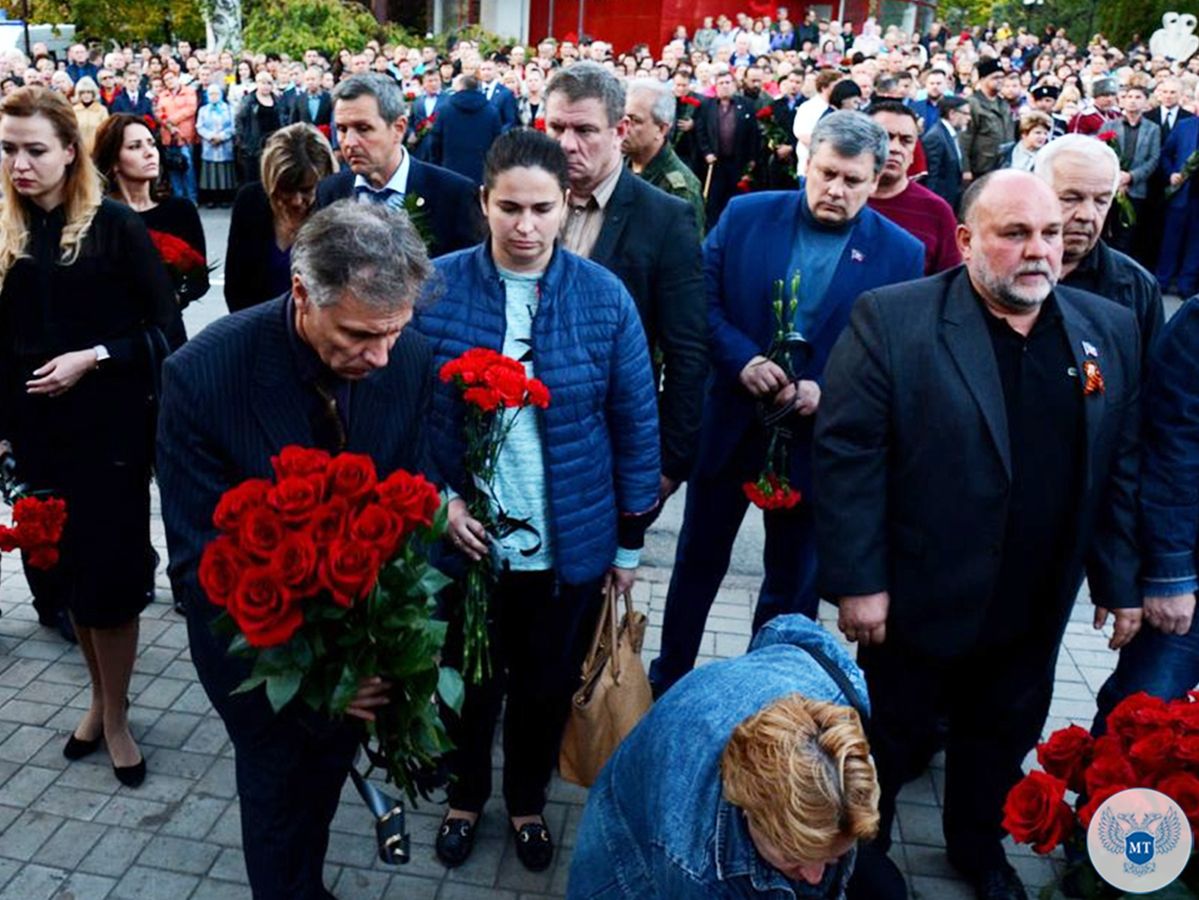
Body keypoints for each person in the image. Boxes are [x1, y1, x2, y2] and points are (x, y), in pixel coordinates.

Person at [815, 170, 1142, 900]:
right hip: (916, 596)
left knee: (999, 735)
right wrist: (858, 582)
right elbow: (847, 456)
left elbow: (1117, 463)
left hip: (1033, 599)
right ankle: (862, 850)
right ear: (964, 240)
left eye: (1050, 234)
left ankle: (976, 847)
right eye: (1014, 234)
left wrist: (1119, 581)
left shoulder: (1106, 331)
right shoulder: (892, 320)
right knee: (891, 739)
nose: (1038, 251)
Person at [158, 202, 433, 900]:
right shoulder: (204, 374)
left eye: (393, 332)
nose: (380, 356)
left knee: (322, 783)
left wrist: (385, 651)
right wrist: (321, 680)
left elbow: (418, 507)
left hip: (365, 649)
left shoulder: (409, 357)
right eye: (359, 335)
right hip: (258, 652)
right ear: (303, 294)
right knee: (279, 800)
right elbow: (200, 565)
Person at [417, 129, 661, 874]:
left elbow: (633, 423)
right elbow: (405, 419)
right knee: (468, 686)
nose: (525, 226)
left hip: (567, 549)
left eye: (542, 209)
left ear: (567, 207)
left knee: (542, 688)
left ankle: (526, 803)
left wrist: (626, 545)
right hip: (466, 546)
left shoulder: (602, 297)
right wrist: (440, 504)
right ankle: (464, 799)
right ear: (482, 203)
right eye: (510, 208)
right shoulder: (436, 287)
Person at [649, 112, 924, 698]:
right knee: (697, 564)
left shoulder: (900, 253)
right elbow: (700, 299)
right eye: (826, 174)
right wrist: (742, 359)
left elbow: (894, 351)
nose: (836, 190)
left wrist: (829, 388)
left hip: (813, 445)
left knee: (791, 586)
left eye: (853, 180)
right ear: (807, 164)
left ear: (876, 180)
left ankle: (762, 699)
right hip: (730, 426)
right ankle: (667, 678)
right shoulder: (748, 215)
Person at [0, 86, 182, 788]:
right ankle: (99, 700)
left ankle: (116, 715)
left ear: (70, 153)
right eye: (9, 149)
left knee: (111, 578)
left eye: (34, 149)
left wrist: (93, 357)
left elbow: (166, 331)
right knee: (66, 578)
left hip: (109, 436)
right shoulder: (7, 229)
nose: (19, 163)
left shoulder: (112, 226)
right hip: (37, 439)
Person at [569, 615, 880, 899]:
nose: (814, 877)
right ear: (748, 809)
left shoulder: (839, 695)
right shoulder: (694, 865)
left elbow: (787, 629)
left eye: (832, 857)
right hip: (629, 836)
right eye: (794, 857)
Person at [544, 61, 707, 507]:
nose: (566, 144)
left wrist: (671, 461)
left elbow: (688, 349)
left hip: (608, 443)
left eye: (584, 130)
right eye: (555, 126)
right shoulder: (524, 203)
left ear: (618, 130)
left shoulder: (666, 218)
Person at [1091, 295, 1199, 733]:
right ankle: (1100, 804)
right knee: (1137, 725)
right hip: (1190, 585)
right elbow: (1170, 451)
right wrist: (1170, 573)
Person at [316, 73, 479, 257]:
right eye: (342, 129)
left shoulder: (454, 194)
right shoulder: (330, 192)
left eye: (363, 129)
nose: (349, 142)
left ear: (399, 128)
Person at [1034, 135, 1164, 362]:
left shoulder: (1136, 287)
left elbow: (1152, 381)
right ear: (1036, 192)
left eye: (1101, 201)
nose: (1087, 215)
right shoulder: (1001, 271)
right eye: (1071, 198)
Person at [92, 113, 207, 330]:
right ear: (114, 161)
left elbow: (199, 280)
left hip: (165, 333)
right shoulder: (97, 217)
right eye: (135, 146)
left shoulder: (181, 210)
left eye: (151, 144)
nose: (149, 153)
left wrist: (171, 299)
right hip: (111, 336)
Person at [225, 123, 337, 313]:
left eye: (307, 189)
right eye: (286, 189)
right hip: (257, 328)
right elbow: (236, 285)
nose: (296, 200)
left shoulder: (336, 208)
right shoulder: (250, 201)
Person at [866, 100, 961, 275]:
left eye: (906, 141)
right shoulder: (839, 199)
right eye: (885, 138)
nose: (895, 148)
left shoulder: (936, 211)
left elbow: (951, 283)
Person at [623, 77, 705, 235]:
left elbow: (687, 252)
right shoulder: (619, 165)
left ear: (661, 129)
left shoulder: (680, 189)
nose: (624, 127)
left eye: (635, 121)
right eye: (623, 118)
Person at [695, 68, 761, 226]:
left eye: (727, 82)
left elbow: (754, 133)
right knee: (713, 202)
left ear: (734, 85)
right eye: (721, 83)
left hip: (738, 162)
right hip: (715, 163)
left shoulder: (747, 105)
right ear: (715, 86)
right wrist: (707, 152)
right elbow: (701, 131)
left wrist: (752, 158)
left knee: (736, 200)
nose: (724, 86)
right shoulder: (706, 106)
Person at [1105, 83, 1161, 262]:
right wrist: (1117, 177)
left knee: (1128, 235)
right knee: (1106, 231)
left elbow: (1153, 159)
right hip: (1110, 188)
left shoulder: (1152, 129)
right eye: (1129, 97)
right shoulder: (1109, 126)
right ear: (1122, 100)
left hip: (1136, 189)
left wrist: (1131, 177)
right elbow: (1101, 155)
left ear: (1146, 102)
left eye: (1138, 97)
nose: (1133, 101)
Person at [428, 74, 502, 185]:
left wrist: (437, 165)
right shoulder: (491, 111)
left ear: (460, 88)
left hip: (450, 171)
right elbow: (497, 144)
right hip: (481, 172)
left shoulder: (445, 110)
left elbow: (435, 142)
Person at [1156, 112, 1199, 298]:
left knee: (1196, 243)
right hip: (1181, 192)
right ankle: (1161, 281)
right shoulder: (1184, 126)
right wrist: (1171, 173)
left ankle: (1186, 284)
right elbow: (1165, 154)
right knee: (1170, 240)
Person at [961, 58, 1015, 180]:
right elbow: (965, 139)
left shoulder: (1003, 103)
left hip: (1004, 165)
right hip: (981, 168)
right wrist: (966, 168)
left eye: (1002, 77)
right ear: (982, 79)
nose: (1000, 81)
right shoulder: (973, 104)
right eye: (995, 78)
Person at [154, 70, 198, 204]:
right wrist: (169, 125)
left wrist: (172, 120)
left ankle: (192, 198)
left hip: (184, 136)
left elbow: (190, 109)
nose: (169, 81)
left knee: (188, 167)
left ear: (177, 78)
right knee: (173, 167)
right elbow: (158, 113)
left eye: (171, 78)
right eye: (166, 80)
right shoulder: (163, 95)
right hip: (169, 136)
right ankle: (179, 199)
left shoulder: (189, 92)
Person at [922, 95, 970, 212]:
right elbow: (932, 177)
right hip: (940, 203)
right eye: (965, 114)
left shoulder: (951, 134)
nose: (969, 118)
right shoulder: (936, 137)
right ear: (952, 114)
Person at [235, 70, 283, 184]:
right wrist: (243, 142)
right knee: (253, 178)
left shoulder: (277, 100)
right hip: (253, 146)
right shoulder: (248, 100)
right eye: (263, 83)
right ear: (257, 84)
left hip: (273, 144)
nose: (266, 86)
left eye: (269, 83)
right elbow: (239, 120)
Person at [194, 83, 236, 208]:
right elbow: (199, 126)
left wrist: (222, 136)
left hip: (225, 145)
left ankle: (225, 198)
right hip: (209, 145)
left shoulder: (228, 109)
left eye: (216, 93)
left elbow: (233, 126)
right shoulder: (203, 110)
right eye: (211, 94)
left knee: (224, 172)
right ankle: (212, 199)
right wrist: (210, 136)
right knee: (210, 173)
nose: (214, 96)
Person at [478, 57, 518, 131]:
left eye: (489, 69)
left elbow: (510, 121)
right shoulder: (475, 91)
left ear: (496, 70)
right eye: (483, 69)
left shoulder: (506, 93)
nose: (486, 72)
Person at [71, 76, 108, 154]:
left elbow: (106, 131)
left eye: (88, 92)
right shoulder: (74, 110)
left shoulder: (101, 110)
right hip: (79, 152)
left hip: (97, 151)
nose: (86, 95)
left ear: (93, 94)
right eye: (83, 93)